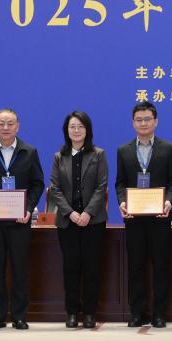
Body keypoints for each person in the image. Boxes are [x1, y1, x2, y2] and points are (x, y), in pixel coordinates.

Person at [0, 108, 45, 330]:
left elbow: (37, 184)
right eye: (1, 123)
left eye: (10, 123)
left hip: (19, 222)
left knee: (20, 269)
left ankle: (20, 316)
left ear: (17, 126)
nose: (5, 127)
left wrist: (28, 209)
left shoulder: (29, 152)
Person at [115, 101, 172, 328]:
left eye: (147, 119)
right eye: (139, 120)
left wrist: (168, 202)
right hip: (134, 218)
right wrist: (122, 202)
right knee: (135, 266)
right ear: (133, 123)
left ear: (156, 121)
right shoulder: (123, 150)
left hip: (160, 218)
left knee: (161, 266)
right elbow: (120, 183)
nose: (143, 123)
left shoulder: (168, 148)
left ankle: (159, 313)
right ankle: (137, 312)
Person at [49, 111, 108, 329]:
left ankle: (90, 313)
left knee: (92, 268)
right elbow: (55, 188)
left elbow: (102, 186)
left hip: (93, 221)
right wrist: (70, 213)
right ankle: (72, 312)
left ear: (87, 130)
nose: (76, 130)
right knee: (70, 268)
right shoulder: (59, 157)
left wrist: (88, 213)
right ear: (66, 130)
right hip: (68, 222)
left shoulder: (98, 154)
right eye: (72, 127)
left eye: (80, 126)